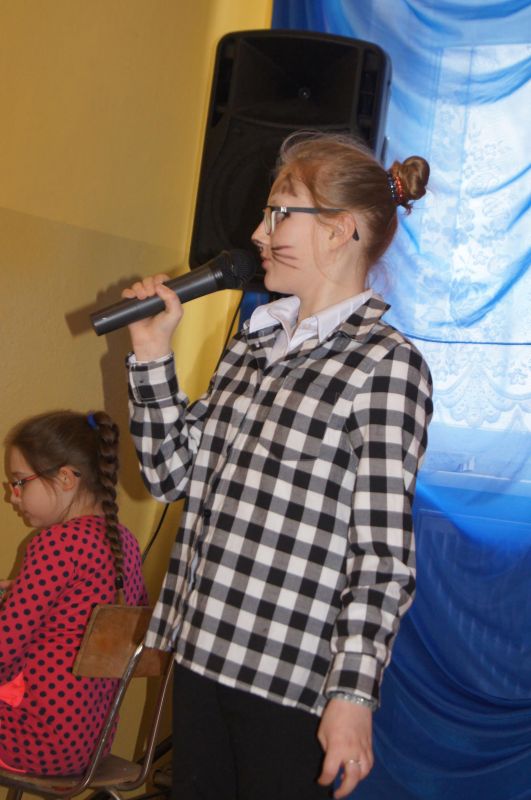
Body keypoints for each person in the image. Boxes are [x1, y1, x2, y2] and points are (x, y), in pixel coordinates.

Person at [124, 132, 433, 799]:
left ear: (338, 231)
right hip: (201, 650)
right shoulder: (254, 341)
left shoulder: (386, 365)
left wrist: (353, 693)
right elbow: (171, 475)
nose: (257, 234)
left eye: (277, 214)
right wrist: (151, 355)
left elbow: (381, 555)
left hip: (287, 678)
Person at [0, 410, 147, 775]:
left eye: (19, 483)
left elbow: (3, 653)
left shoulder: (55, 544)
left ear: (66, 478)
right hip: (90, 744)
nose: (12, 498)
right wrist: (28, 591)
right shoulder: (124, 542)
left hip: (35, 738)